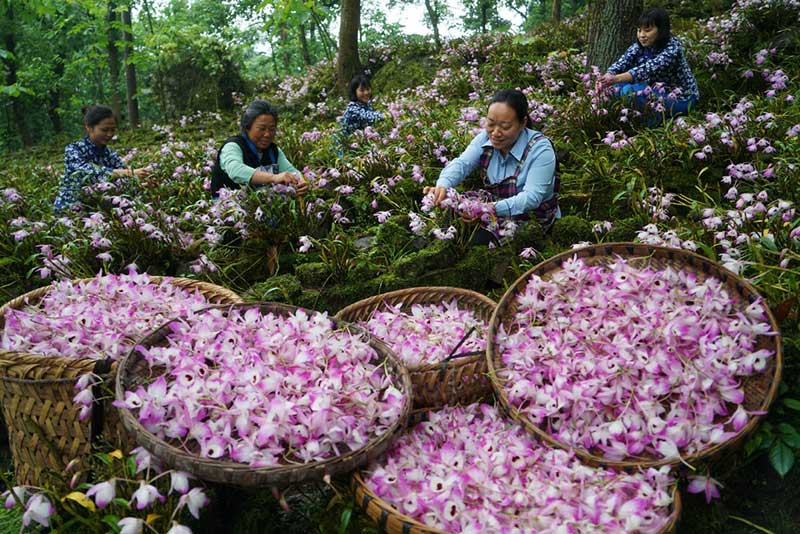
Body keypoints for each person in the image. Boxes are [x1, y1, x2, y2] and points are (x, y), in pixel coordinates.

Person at [424, 89, 560, 243]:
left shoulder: (540, 149)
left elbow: (532, 198)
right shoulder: (485, 139)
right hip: (494, 202)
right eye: (490, 123)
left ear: (522, 123)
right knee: (456, 212)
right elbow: (462, 164)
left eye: (505, 126)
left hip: (532, 213)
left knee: (479, 239)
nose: (495, 133)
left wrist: (486, 209)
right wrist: (443, 185)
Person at [597, 7, 699, 120]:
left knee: (628, 91)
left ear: (661, 30)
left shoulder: (673, 49)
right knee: (614, 89)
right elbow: (620, 64)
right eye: (639, 30)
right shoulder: (638, 47)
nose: (642, 35)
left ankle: (649, 125)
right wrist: (608, 75)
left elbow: (647, 70)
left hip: (682, 98)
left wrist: (614, 79)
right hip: (655, 92)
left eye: (647, 30)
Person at [54, 105, 151, 211]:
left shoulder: (110, 154)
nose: (109, 134)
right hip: (71, 209)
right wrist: (128, 172)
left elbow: (122, 181)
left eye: (113, 130)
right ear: (89, 127)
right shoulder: (73, 150)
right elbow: (87, 172)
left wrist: (141, 185)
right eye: (104, 130)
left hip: (99, 209)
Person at [210, 99, 308, 197]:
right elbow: (236, 170)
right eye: (262, 129)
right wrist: (274, 177)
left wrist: (300, 181)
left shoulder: (273, 151)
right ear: (247, 127)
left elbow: (291, 171)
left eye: (272, 129)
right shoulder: (233, 146)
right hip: (227, 207)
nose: (267, 134)